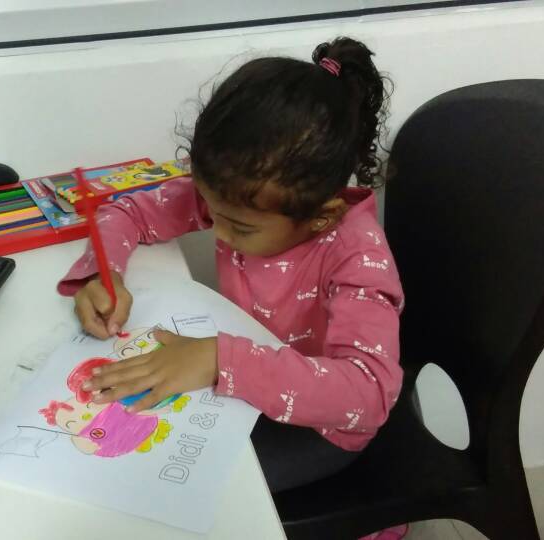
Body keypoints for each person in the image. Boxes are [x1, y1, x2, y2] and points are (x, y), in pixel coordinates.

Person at [58, 37, 404, 500]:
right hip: (246, 386)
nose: (217, 233)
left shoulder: (357, 255)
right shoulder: (241, 196)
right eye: (210, 209)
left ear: (320, 217)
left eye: (239, 228)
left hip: (321, 428)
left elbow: (369, 395)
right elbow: (126, 212)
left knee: (160, 485)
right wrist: (106, 275)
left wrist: (220, 359)